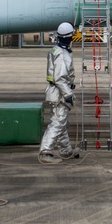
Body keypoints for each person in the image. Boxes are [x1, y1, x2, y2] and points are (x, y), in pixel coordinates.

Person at [39, 22, 79, 164]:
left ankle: (66, 150)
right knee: (58, 122)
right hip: (60, 92)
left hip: (53, 91)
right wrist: (68, 94)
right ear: (69, 37)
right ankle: (46, 151)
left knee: (61, 121)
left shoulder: (55, 50)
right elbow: (60, 78)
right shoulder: (63, 55)